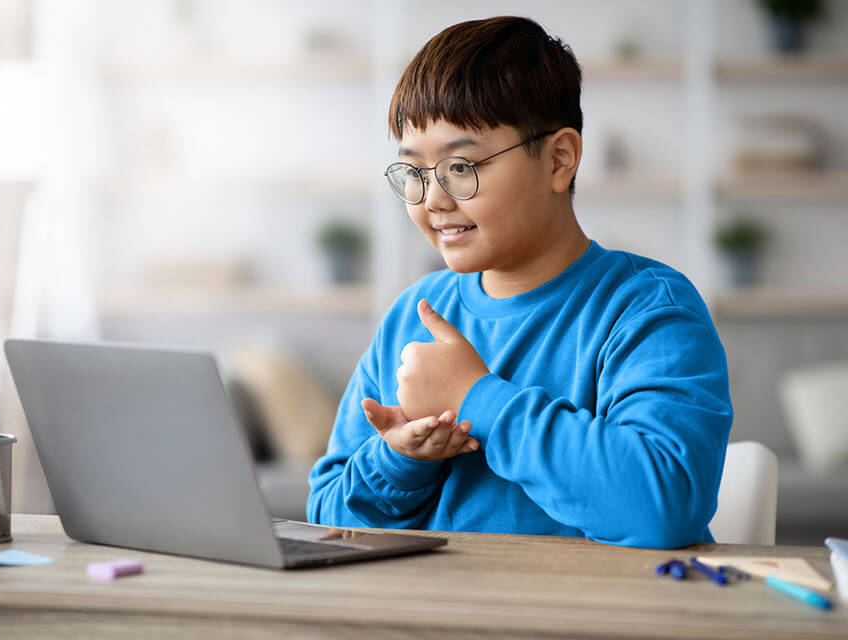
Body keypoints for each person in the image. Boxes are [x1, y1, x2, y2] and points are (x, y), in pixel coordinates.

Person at [305, 16, 732, 549]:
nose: (433, 199)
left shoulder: (647, 309)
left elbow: (664, 506)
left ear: (559, 159)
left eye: (461, 166)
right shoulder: (414, 312)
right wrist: (401, 460)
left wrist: (476, 398)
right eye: (414, 172)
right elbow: (325, 519)